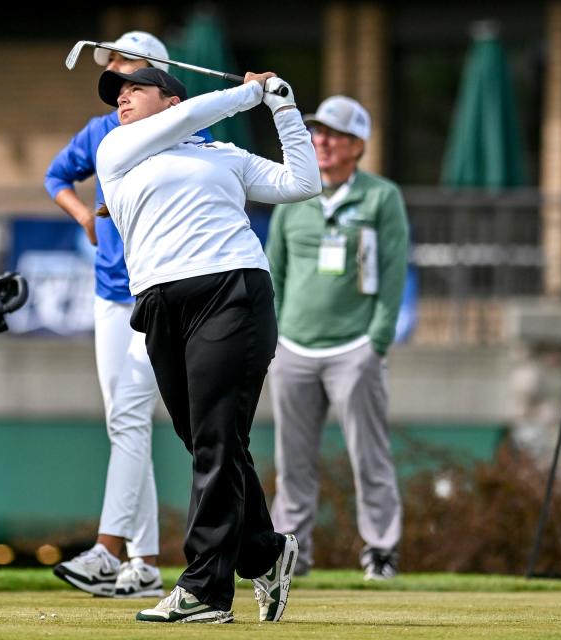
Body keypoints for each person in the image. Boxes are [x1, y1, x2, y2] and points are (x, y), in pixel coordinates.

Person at [96, 66, 321, 622]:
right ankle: (265, 553)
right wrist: (249, 93)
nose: (121, 98)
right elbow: (195, 113)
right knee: (205, 441)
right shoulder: (118, 147)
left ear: (170, 97)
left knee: (217, 438)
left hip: (233, 290)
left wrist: (284, 109)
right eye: (116, 93)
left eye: (135, 88)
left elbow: (303, 184)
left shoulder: (225, 156)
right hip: (160, 306)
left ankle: (204, 589)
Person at [45, 31, 212, 599]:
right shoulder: (99, 131)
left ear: (160, 79)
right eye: (111, 65)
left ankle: (119, 552)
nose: (114, 73)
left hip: (158, 291)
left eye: (124, 64)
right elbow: (55, 178)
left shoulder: (186, 128)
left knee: (130, 418)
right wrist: (85, 218)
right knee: (125, 421)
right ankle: (139, 561)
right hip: (109, 293)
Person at [266, 95, 408, 581]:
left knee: (369, 457)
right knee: (293, 461)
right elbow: (275, 273)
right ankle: (292, 554)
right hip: (295, 348)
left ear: (357, 145)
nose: (320, 142)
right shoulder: (295, 193)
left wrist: (378, 342)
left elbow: (393, 274)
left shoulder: (381, 196)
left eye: (332, 135)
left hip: (355, 349)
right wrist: (276, 338)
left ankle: (381, 551)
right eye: (317, 133)